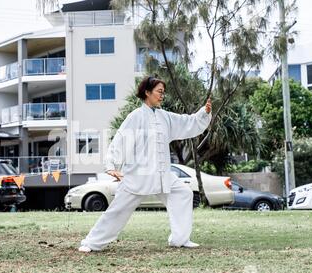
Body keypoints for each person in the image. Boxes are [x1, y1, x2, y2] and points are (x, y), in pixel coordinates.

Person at [78, 76, 212, 253]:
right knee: (118, 210)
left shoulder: (166, 117)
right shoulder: (135, 117)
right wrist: (111, 165)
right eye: (159, 92)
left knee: (183, 193)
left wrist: (204, 113)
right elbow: (121, 140)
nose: (162, 96)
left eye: (163, 92)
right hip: (137, 175)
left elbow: (187, 122)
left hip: (162, 174)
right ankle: (92, 243)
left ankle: (180, 239)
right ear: (147, 93)